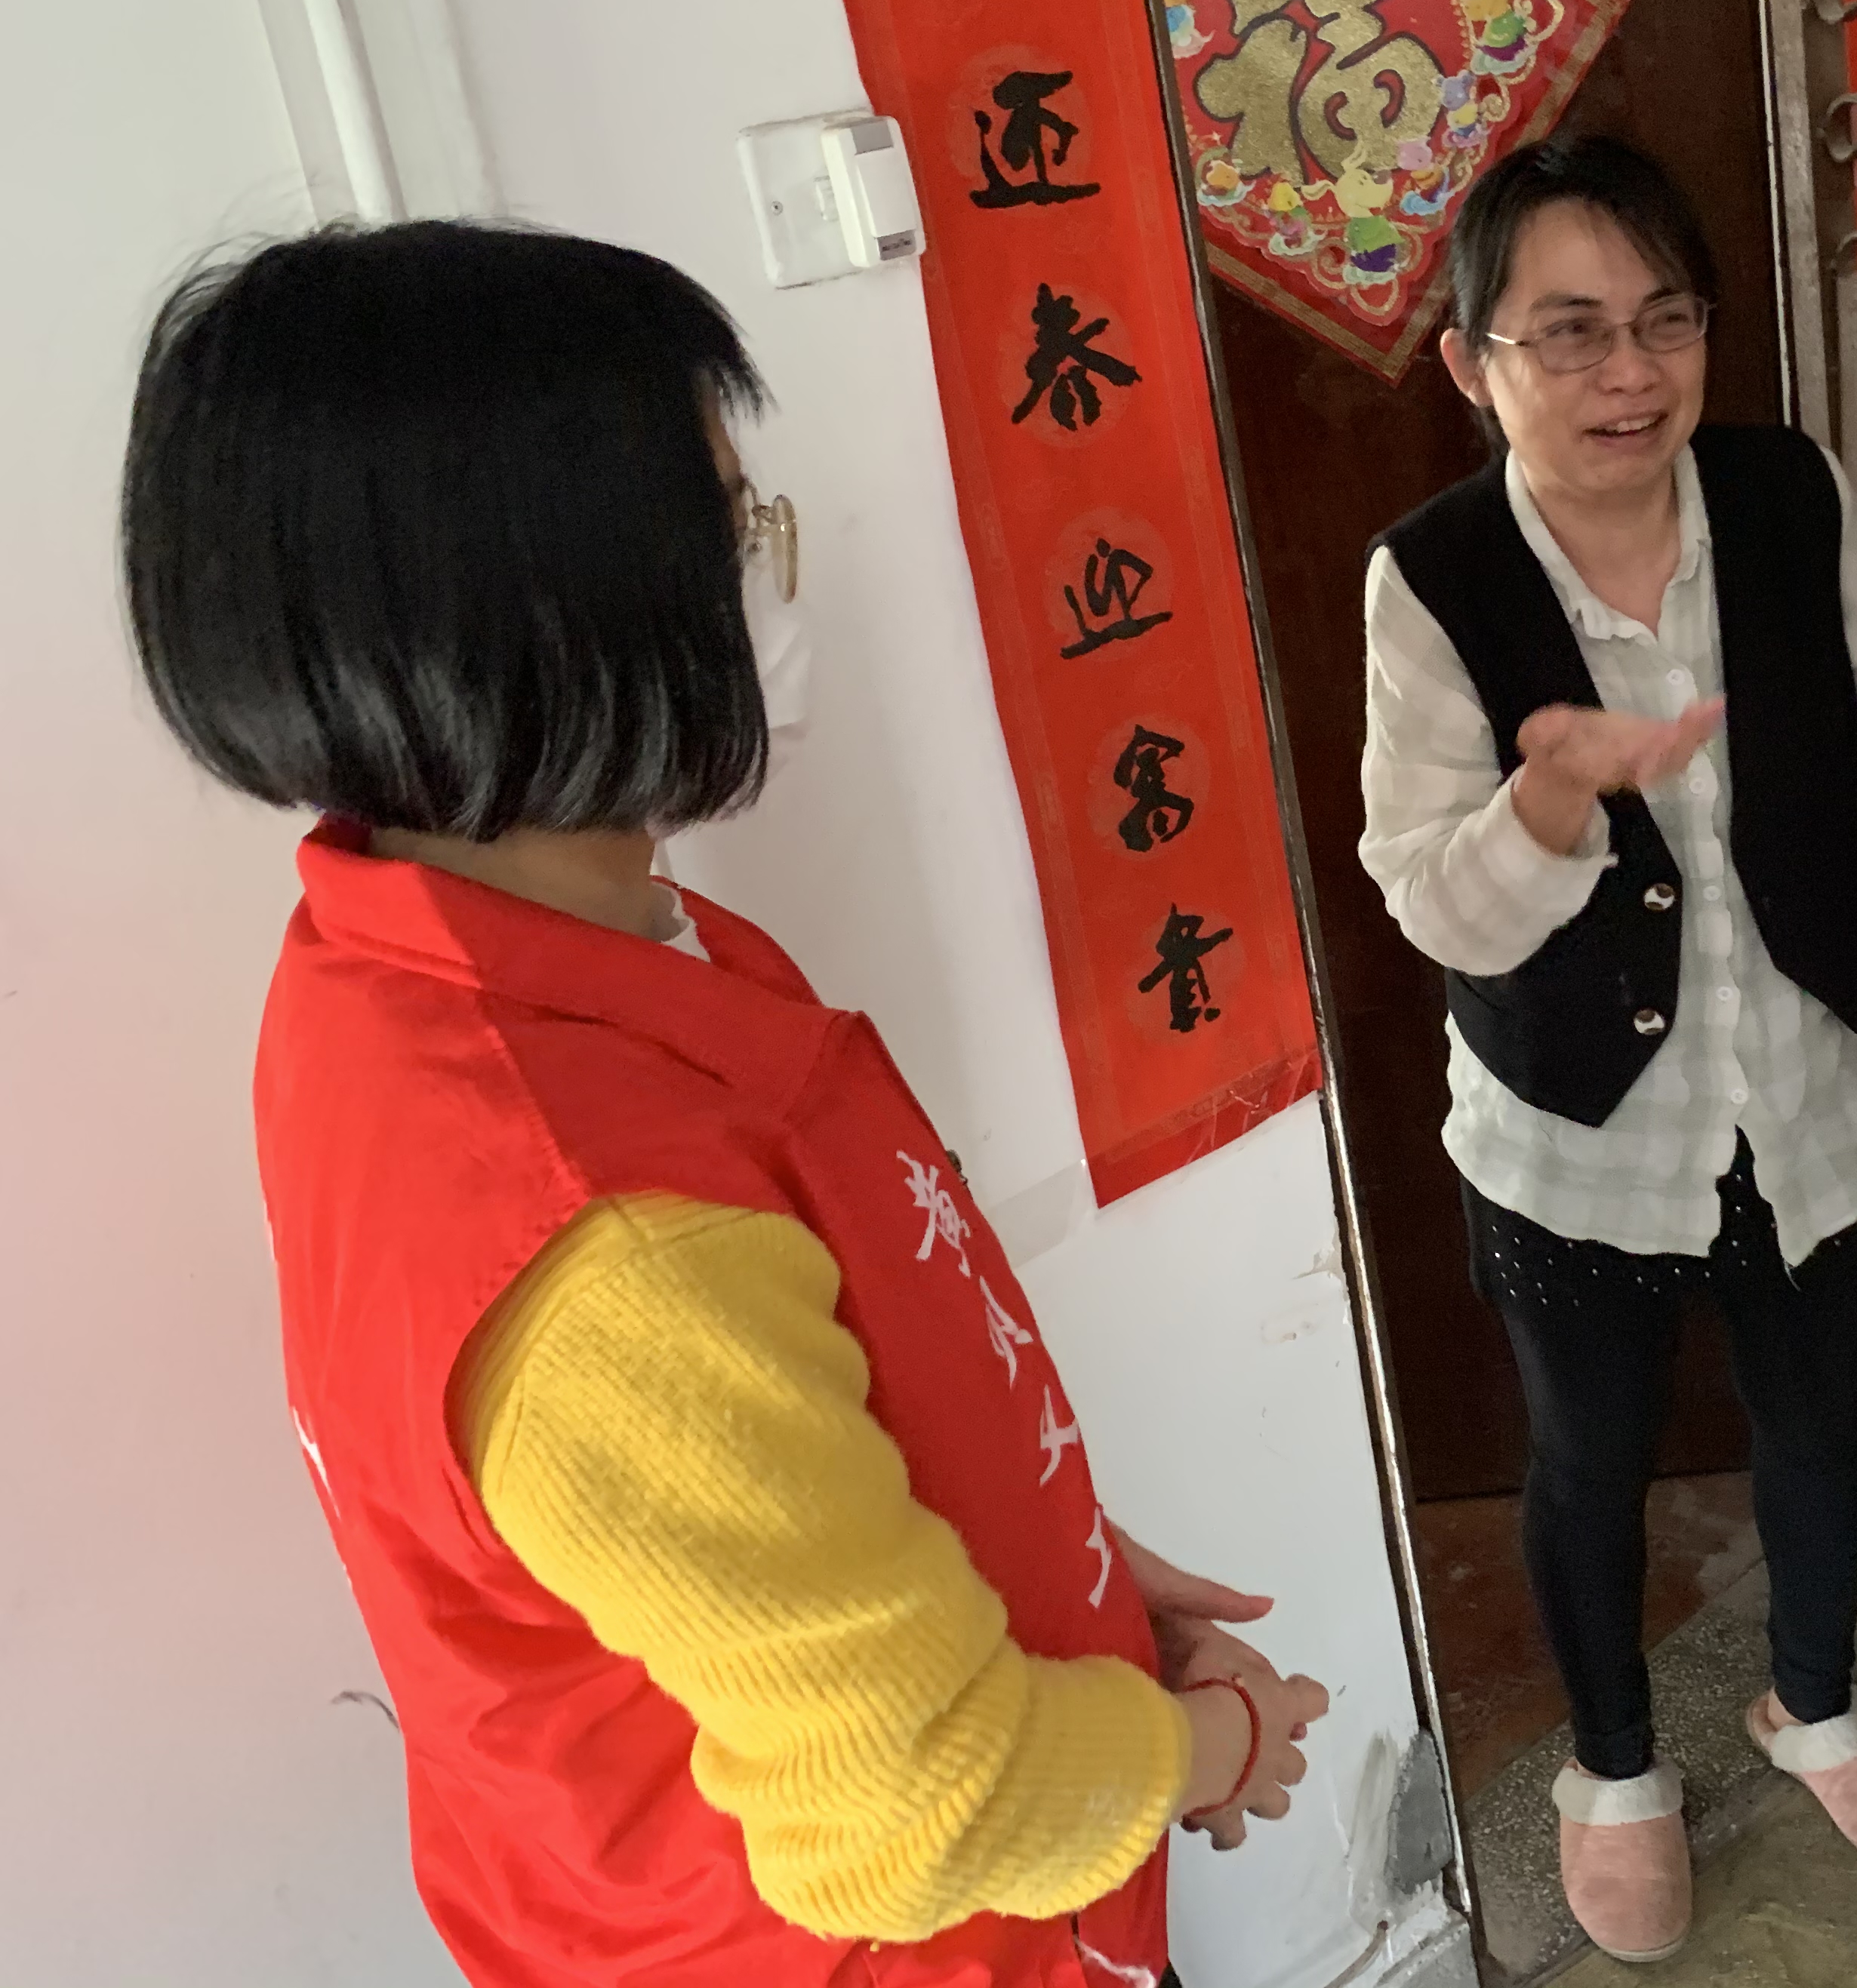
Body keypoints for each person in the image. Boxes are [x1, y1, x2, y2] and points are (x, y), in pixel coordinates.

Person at [119, 222, 1331, 1988]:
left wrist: (1062, 1573)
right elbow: (926, 1806)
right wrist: (1224, 1746)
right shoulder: (606, 1241)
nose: (775, 564)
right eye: (732, 523)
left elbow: (786, 1467)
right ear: (554, 602)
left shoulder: (455, 956)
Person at [1358, 134, 1857, 1961]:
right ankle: (1614, 1771)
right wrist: (1551, 802)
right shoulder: (1432, 579)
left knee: (1823, 1420)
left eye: (1666, 320)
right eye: (1568, 331)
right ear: (1471, 361)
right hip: (1575, 1129)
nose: (1630, 373)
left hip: (1801, 1087)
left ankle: (1813, 1700)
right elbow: (1435, 904)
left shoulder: (1787, 494)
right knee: (1590, 1458)